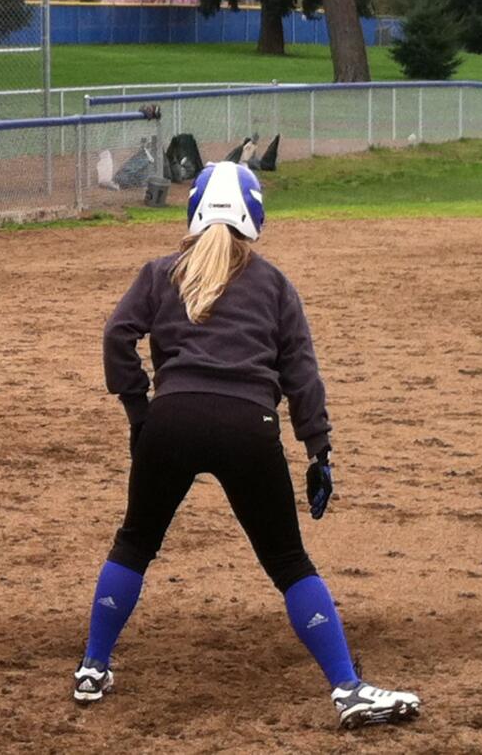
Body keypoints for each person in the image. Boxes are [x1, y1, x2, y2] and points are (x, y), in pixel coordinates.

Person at [73, 162, 421, 730]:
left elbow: (117, 336)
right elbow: (301, 374)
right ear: (255, 217)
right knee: (288, 562)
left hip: (173, 418)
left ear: (193, 210)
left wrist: (141, 411)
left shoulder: (161, 272)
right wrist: (318, 448)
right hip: (248, 424)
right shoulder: (275, 284)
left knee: (134, 543)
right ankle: (347, 689)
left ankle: (93, 666)